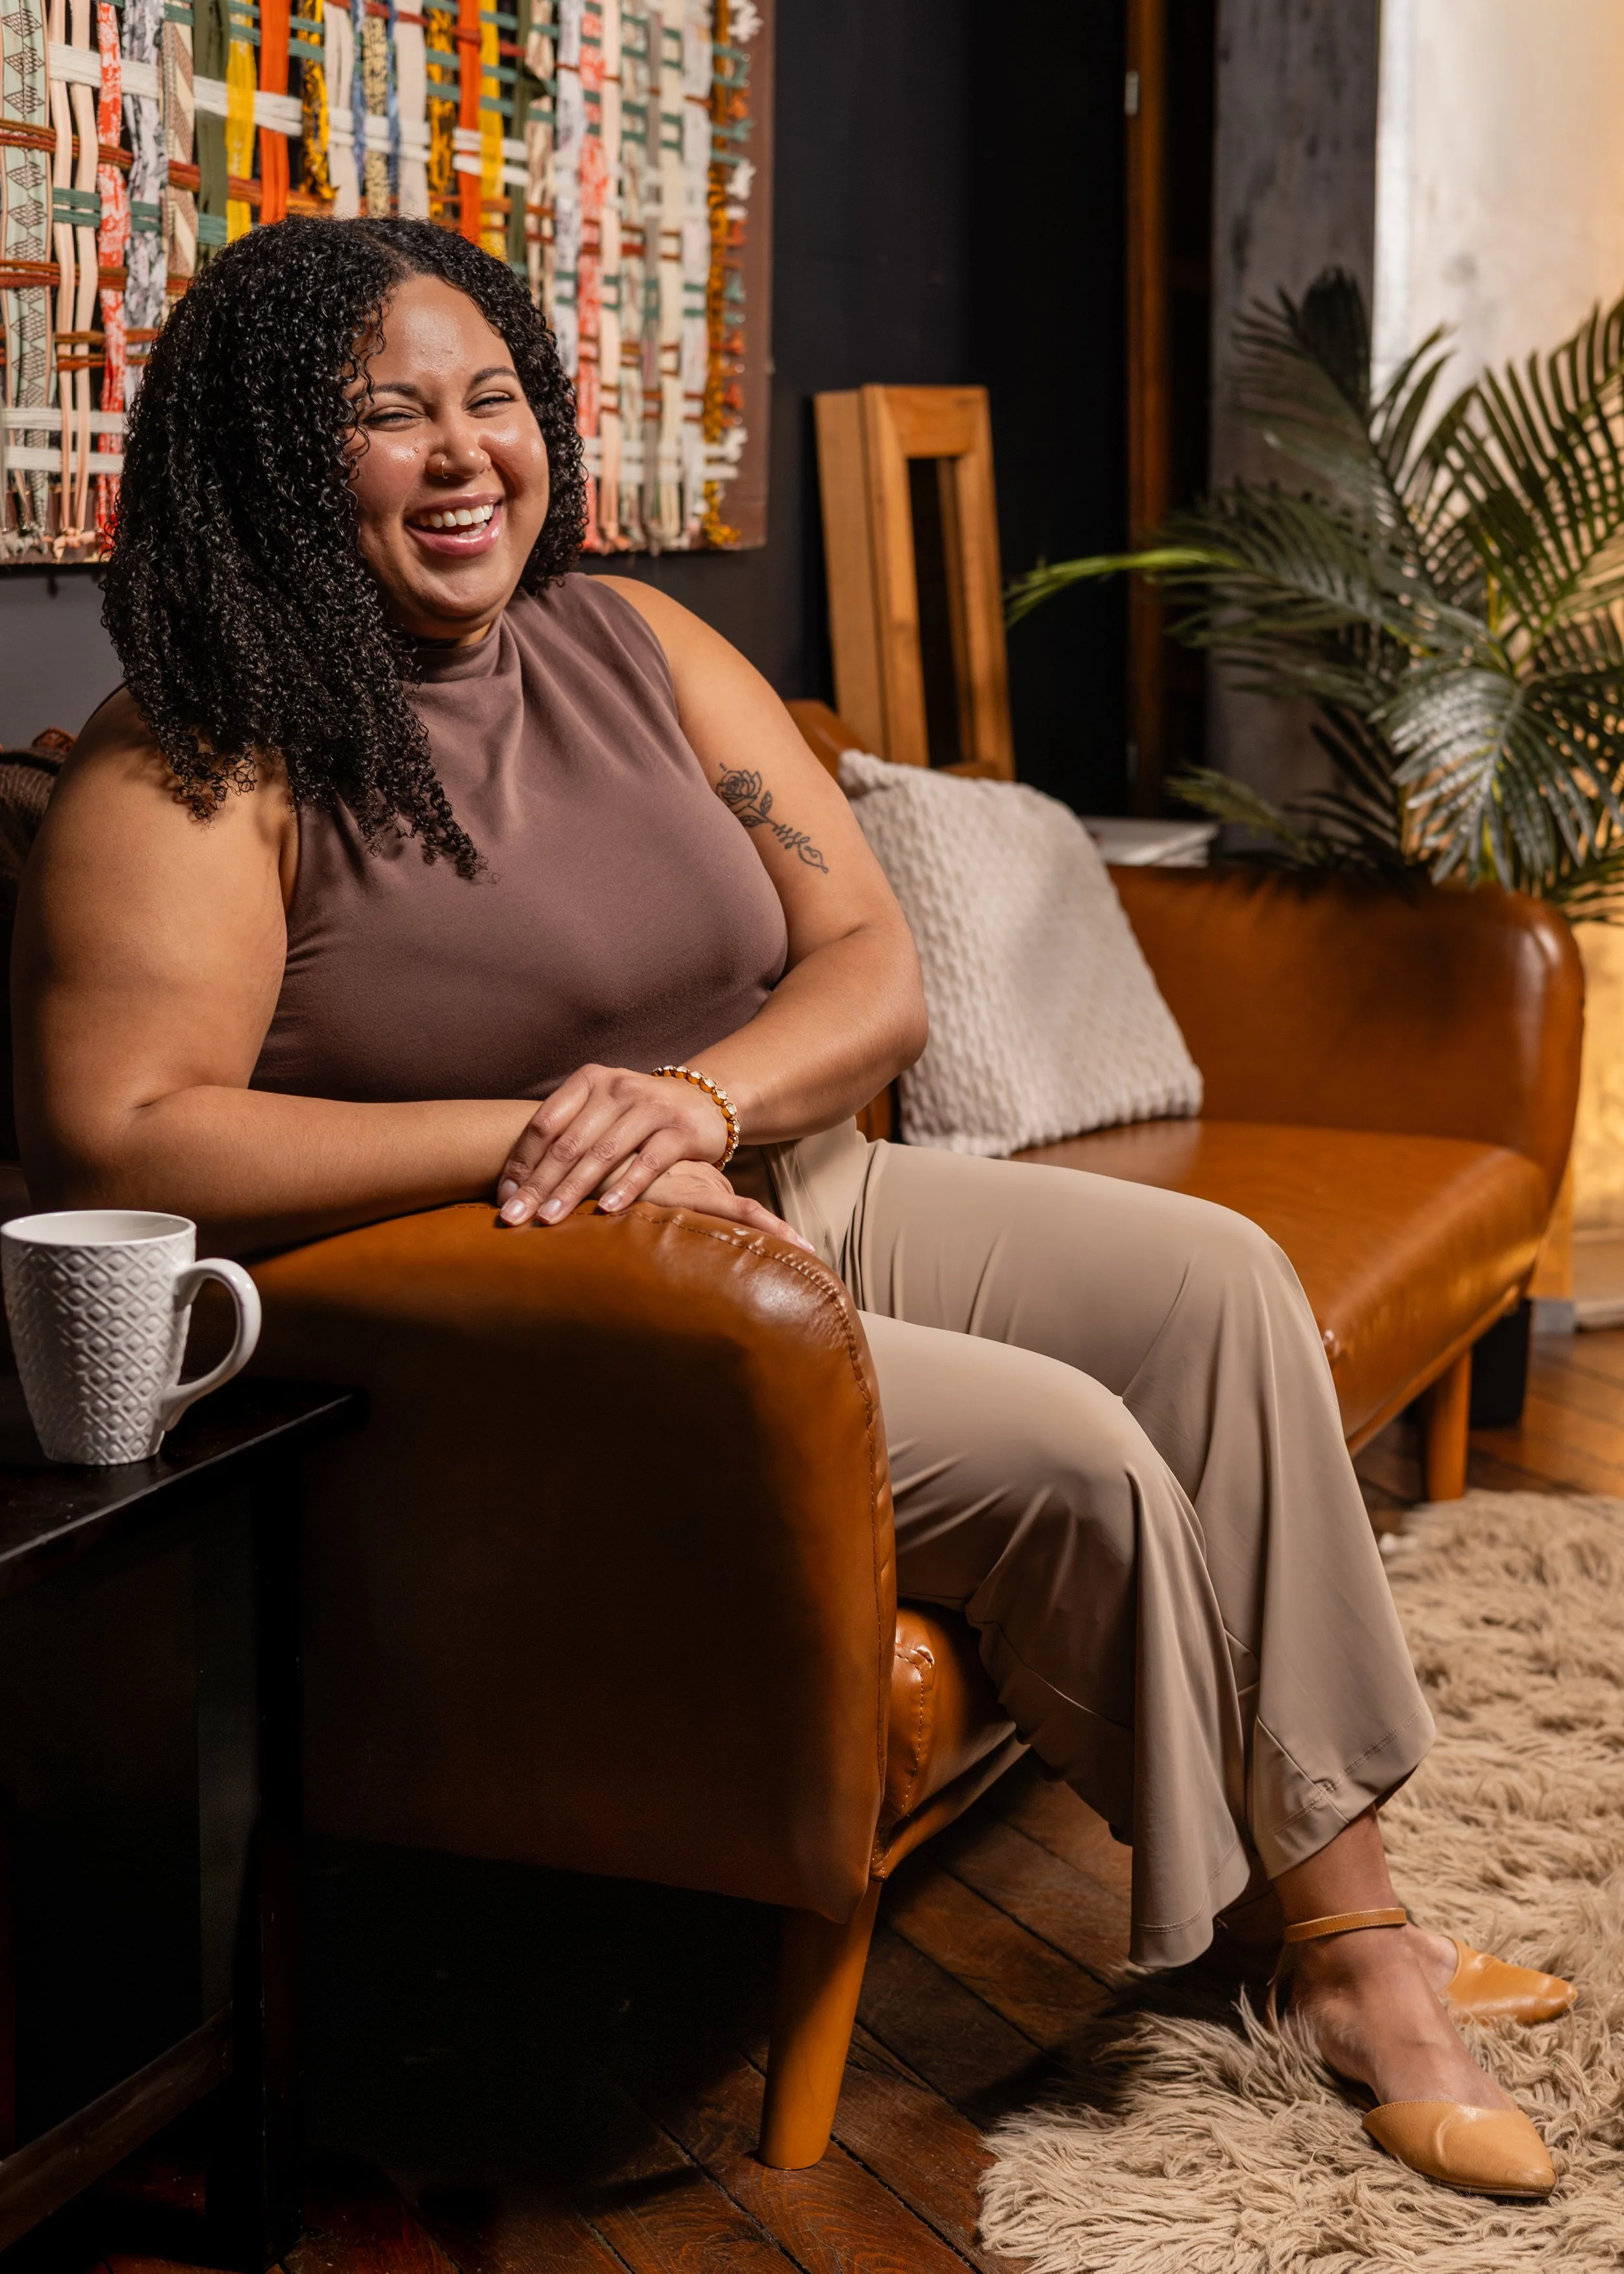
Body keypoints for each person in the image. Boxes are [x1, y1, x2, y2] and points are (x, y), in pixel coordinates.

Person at [12, 218, 1569, 2200]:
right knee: (1074, 1457)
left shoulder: (630, 642)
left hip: (781, 1171)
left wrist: (689, 1097)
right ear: (269, 458)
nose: (466, 449)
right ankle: (1336, 1962)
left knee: (1220, 1294)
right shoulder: (199, 756)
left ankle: (1335, 1925)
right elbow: (122, 1135)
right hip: (549, 1297)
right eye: (388, 416)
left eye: (491, 396)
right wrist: (550, 1139)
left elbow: (868, 962)